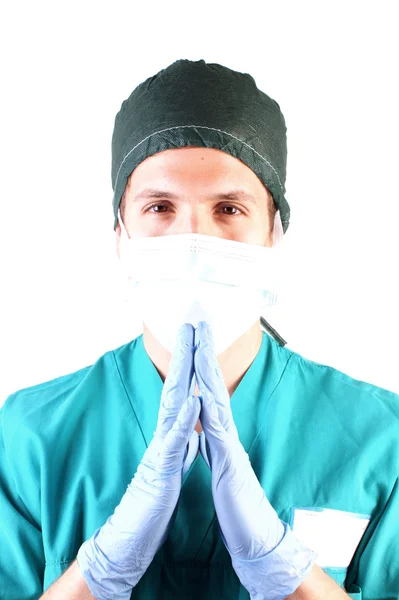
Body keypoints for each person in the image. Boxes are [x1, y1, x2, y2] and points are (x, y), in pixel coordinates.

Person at [0, 59, 398, 600]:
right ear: (120, 234)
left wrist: (285, 571)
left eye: (229, 208)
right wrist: (99, 573)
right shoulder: (29, 438)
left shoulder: (380, 439)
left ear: (274, 236)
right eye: (159, 206)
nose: (193, 241)